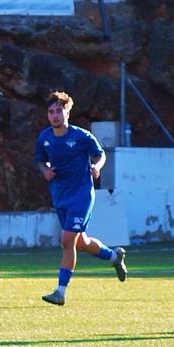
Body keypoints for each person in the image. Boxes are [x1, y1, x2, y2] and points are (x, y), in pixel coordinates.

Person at [34, 91, 127, 305]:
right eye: (51, 112)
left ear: (67, 112)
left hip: (81, 196)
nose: (55, 115)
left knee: (67, 241)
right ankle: (114, 257)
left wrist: (96, 167)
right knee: (81, 243)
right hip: (60, 195)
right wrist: (44, 170)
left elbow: (100, 154)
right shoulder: (45, 138)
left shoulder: (81, 136)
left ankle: (60, 292)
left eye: (59, 110)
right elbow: (40, 160)